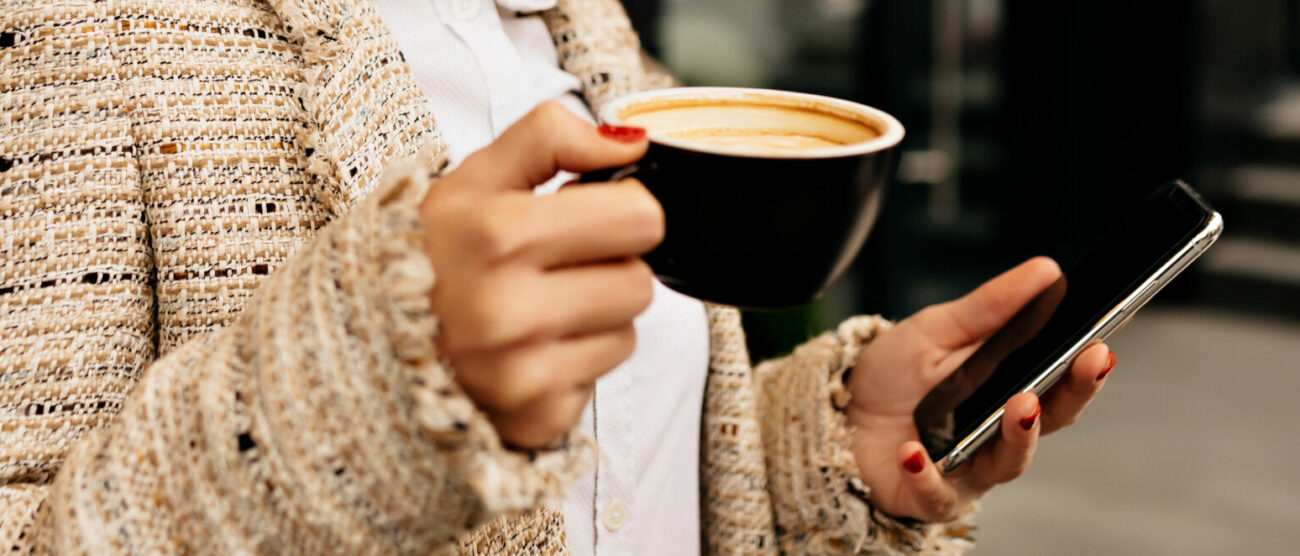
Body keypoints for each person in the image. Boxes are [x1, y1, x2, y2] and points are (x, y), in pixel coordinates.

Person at [0, 0, 1116, 553]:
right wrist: (356, 397)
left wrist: (822, 456)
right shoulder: (81, 29)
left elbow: (616, 481)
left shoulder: (579, 24)